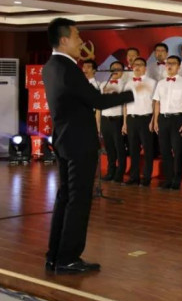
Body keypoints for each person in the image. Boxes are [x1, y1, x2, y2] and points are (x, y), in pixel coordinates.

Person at [43, 18, 135, 274]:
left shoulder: (50, 66)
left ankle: (55, 255)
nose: (81, 41)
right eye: (77, 36)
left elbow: (79, 99)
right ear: (64, 40)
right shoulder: (69, 69)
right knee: (78, 200)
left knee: (65, 197)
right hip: (79, 142)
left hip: (64, 139)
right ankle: (68, 258)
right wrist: (130, 94)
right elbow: (97, 101)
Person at [152, 55, 182, 190]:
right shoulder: (160, 83)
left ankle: (177, 179)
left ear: (179, 66)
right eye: (168, 63)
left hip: (178, 118)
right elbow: (157, 102)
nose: (169, 66)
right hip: (163, 118)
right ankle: (168, 179)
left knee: (178, 150)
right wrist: (156, 120)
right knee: (164, 151)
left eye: (173, 63)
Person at [122, 57, 156, 186]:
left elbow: (155, 103)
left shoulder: (152, 82)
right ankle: (134, 177)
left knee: (148, 149)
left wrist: (153, 120)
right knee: (133, 150)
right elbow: (125, 104)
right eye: (135, 65)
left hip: (146, 118)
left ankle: (147, 177)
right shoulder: (128, 83)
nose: (137, 67)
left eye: (140, 65)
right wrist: (125, 123)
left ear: (145, 68)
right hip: (131, 119)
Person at [97, 61, 127, 182]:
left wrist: (125, 123)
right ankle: (110, 172)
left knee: (119, 148)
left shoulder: (125, 84)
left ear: (122, 71)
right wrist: (98, 124)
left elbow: (125, 105)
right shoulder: (103, 84)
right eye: (113, 68)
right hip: (105, 119)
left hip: (117, 120)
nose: (115, 70)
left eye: (118, 68)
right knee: (109, 148)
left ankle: (120, 173)